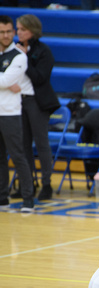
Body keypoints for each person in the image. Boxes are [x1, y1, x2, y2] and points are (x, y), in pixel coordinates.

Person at [12, 14, 60, 201]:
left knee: (41, 144)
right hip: (18, 100)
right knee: (22, 145)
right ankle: (27, 184)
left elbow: (39, 77)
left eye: (23, 29)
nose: (19, 32)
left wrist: (25, 59)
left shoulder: (43, 51)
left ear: (33, 30)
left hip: (37, 102)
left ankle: (46, 184)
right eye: (18, 29)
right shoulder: (13, 50)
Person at [0, 15, 34, 212]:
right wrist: (5, 81)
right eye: (2, 32)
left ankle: (28, 198)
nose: (5, 36)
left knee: (18, 156)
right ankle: (2, 198)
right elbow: (5, 81)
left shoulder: (19, 56)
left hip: (10, 114)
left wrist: (6, 82)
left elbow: (7, 81)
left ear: (13, 32)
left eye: (8, 32)